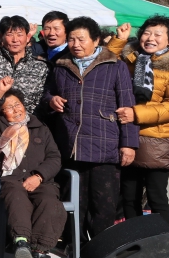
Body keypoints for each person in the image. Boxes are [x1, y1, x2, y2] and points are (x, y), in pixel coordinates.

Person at [46, 16, 139, 239]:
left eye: (81, 39)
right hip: (70, 143)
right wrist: (50, 100)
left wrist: (129, 144)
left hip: (104, 145)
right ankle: (74, 245)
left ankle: (101, 246)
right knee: (73, 199)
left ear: (96, 40)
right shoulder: (61, 65)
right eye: (71, 39)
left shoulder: (115, 66)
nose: (76, 44)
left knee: (103, 203)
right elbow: (46, 93)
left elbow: (127, 106)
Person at [107, 17, 169, 245]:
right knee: (129, 195)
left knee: (156, 196)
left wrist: (137, 113)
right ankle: (136, 241)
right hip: (127, 136)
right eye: (146, 33)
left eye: (157, 34)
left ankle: (165, 243)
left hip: (157, 139)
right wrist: (118, 41)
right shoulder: (131, 57)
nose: (150, 38)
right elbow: (104, 62)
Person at [0, 89, 66, 258]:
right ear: (2, 113)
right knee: (17, 198)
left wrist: (39, 176)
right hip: (12, 179)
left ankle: (38, 254)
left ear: (24, 105)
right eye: (8, 107)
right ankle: (21, 243)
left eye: (17, 104)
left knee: (51, 203)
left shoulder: (40, 128)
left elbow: (54, 157)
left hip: (41, 181)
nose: (15, 109)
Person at [0, 11, 48, 115]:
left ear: (27, 37)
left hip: (26, 122)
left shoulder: (40, 66)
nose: (15, 40)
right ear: (1, 37)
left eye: (20, 35)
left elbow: (42, 99)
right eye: (9, 34)